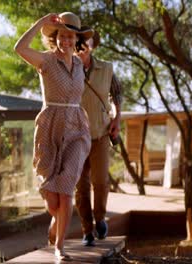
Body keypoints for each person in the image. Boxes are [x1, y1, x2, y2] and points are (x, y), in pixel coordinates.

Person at [14, 12, 93, 260]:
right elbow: (19, 47)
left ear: (76, 39)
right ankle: (56, 219)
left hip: (76, 129)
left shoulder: (81, 64)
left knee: (67, 187)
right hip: (50, 127)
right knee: (53, 198)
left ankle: (60, 246)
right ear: (55, 38)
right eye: (62, 36)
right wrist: (40, 23)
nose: (66, 41)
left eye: (71, 36)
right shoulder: (45, 61)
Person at [75, 29, 122, 246]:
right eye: (80, 42)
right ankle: (87, 230)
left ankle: (100, 218)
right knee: (80, 186)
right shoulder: (68, 67)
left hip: (101, 133)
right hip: (75, 136)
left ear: (93, 45)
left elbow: (117, 92)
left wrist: (117, 119)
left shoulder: (107, 68)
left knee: (101, 181)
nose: (83, 46)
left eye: (87, 42)